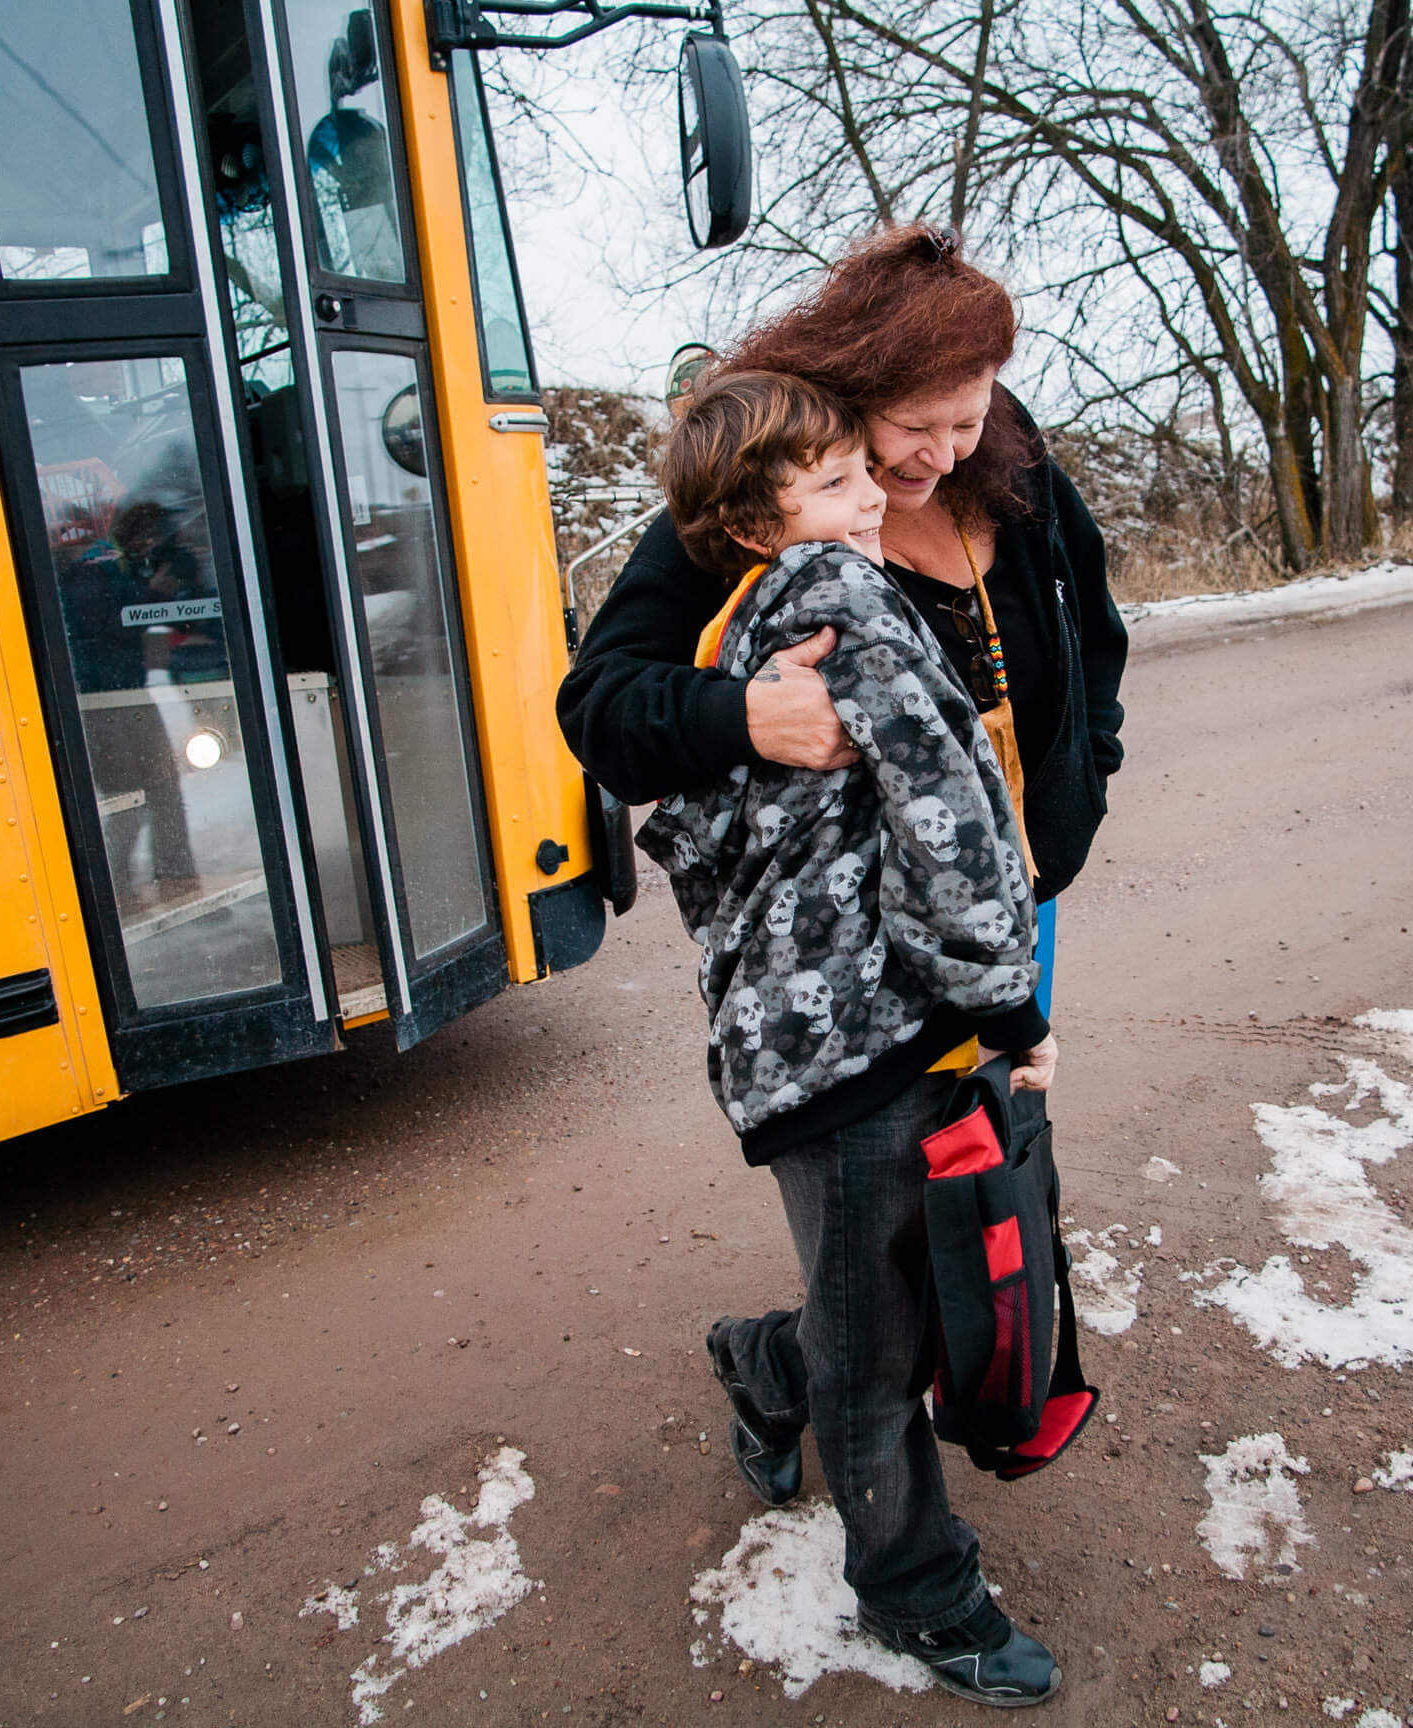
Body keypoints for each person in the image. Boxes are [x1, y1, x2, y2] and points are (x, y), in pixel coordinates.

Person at [633, 367, 1064, 1706]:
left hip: (808, 1038)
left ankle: (769, 1362)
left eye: (860, 472)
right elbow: (947, 820)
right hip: (867, 1047)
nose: (878, 495)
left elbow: (725, 847)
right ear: (761, 524)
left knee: (887, 1293)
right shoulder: (850, 606)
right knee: (890, 1341)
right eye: (835, 484)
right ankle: (916, 1592)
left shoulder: (751, 624)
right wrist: (1006, 1004)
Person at [557, 222, 1127, 1011]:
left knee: (1007, 1116)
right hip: (843, 940)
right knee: (902, 1135)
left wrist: (1085, 777)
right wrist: (747, 716)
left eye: (966, 421)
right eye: (915, 429)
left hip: (1011, 898)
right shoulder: (759, 499)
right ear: (849, 395)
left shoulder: (1009, 456)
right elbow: (600, 706)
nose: (947, 455)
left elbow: (1092, 631)